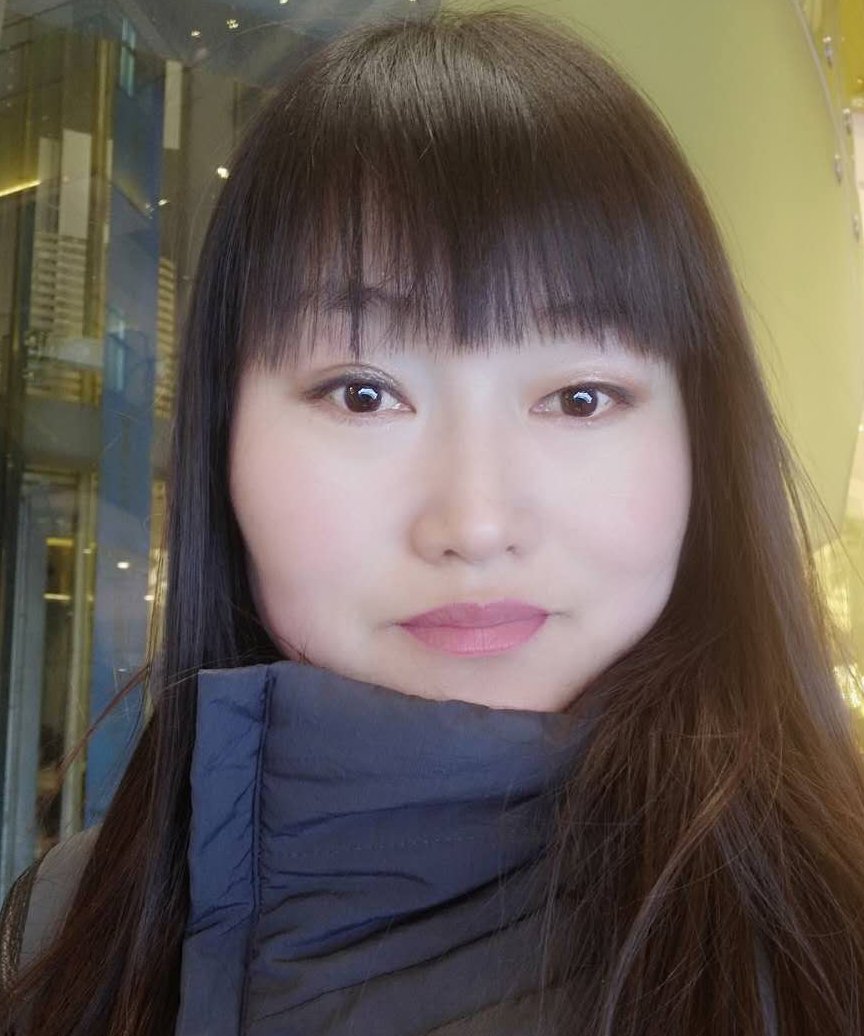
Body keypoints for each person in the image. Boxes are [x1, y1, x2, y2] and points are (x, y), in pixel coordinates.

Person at [2, 6, 864, 1034]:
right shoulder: (63, 929)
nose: (476, 522)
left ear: (703, 442)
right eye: (363, 393)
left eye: (579, 397)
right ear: (222, 439)